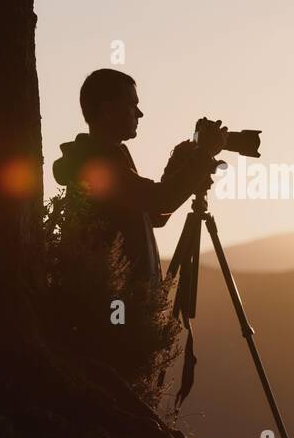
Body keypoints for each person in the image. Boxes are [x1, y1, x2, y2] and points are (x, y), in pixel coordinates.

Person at [51, 68, 223, 288]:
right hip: (114, 307)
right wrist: (203, 155)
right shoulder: (96, 165)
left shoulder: (109, 155)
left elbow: (152, 215)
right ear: (108, 110)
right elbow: (161, 201)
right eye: (132, 105)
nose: (139, 113)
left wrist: (180, 163)